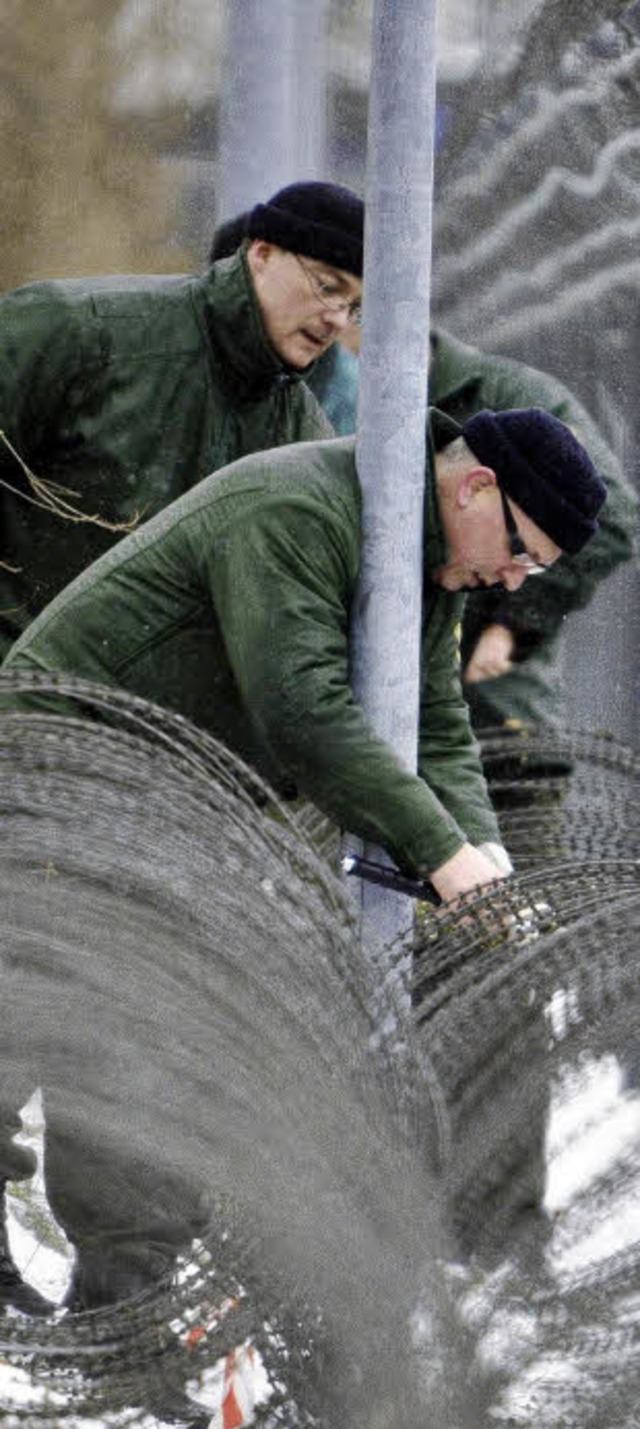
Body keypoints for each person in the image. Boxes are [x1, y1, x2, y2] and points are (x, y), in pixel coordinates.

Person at [1, 406, 606, 1312]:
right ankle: (120, 1315)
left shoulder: (418, 550)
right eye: (519, 551)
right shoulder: (300, 512)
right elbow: (305, 711)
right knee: (83, 1024)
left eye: (533, 571)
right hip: (70, 767)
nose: (513, 579)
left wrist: (485, 853)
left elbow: (433, 721)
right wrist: (441, 856)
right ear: (476, 484)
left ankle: (125, 1312)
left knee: (142, 1044)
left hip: (172, 801)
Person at [0, 180, 364, 660]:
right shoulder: (80, 333)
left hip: (147, 728)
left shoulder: (304, 439)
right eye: (327, 287)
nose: (337, 319)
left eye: (354, 306)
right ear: (262, 253)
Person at [299, 325, 636, 735]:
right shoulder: (325, 394)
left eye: (349, 302)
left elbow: (610, 521)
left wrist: (513, 623)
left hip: (493, 705)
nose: (329, 321)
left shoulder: (507, 396)